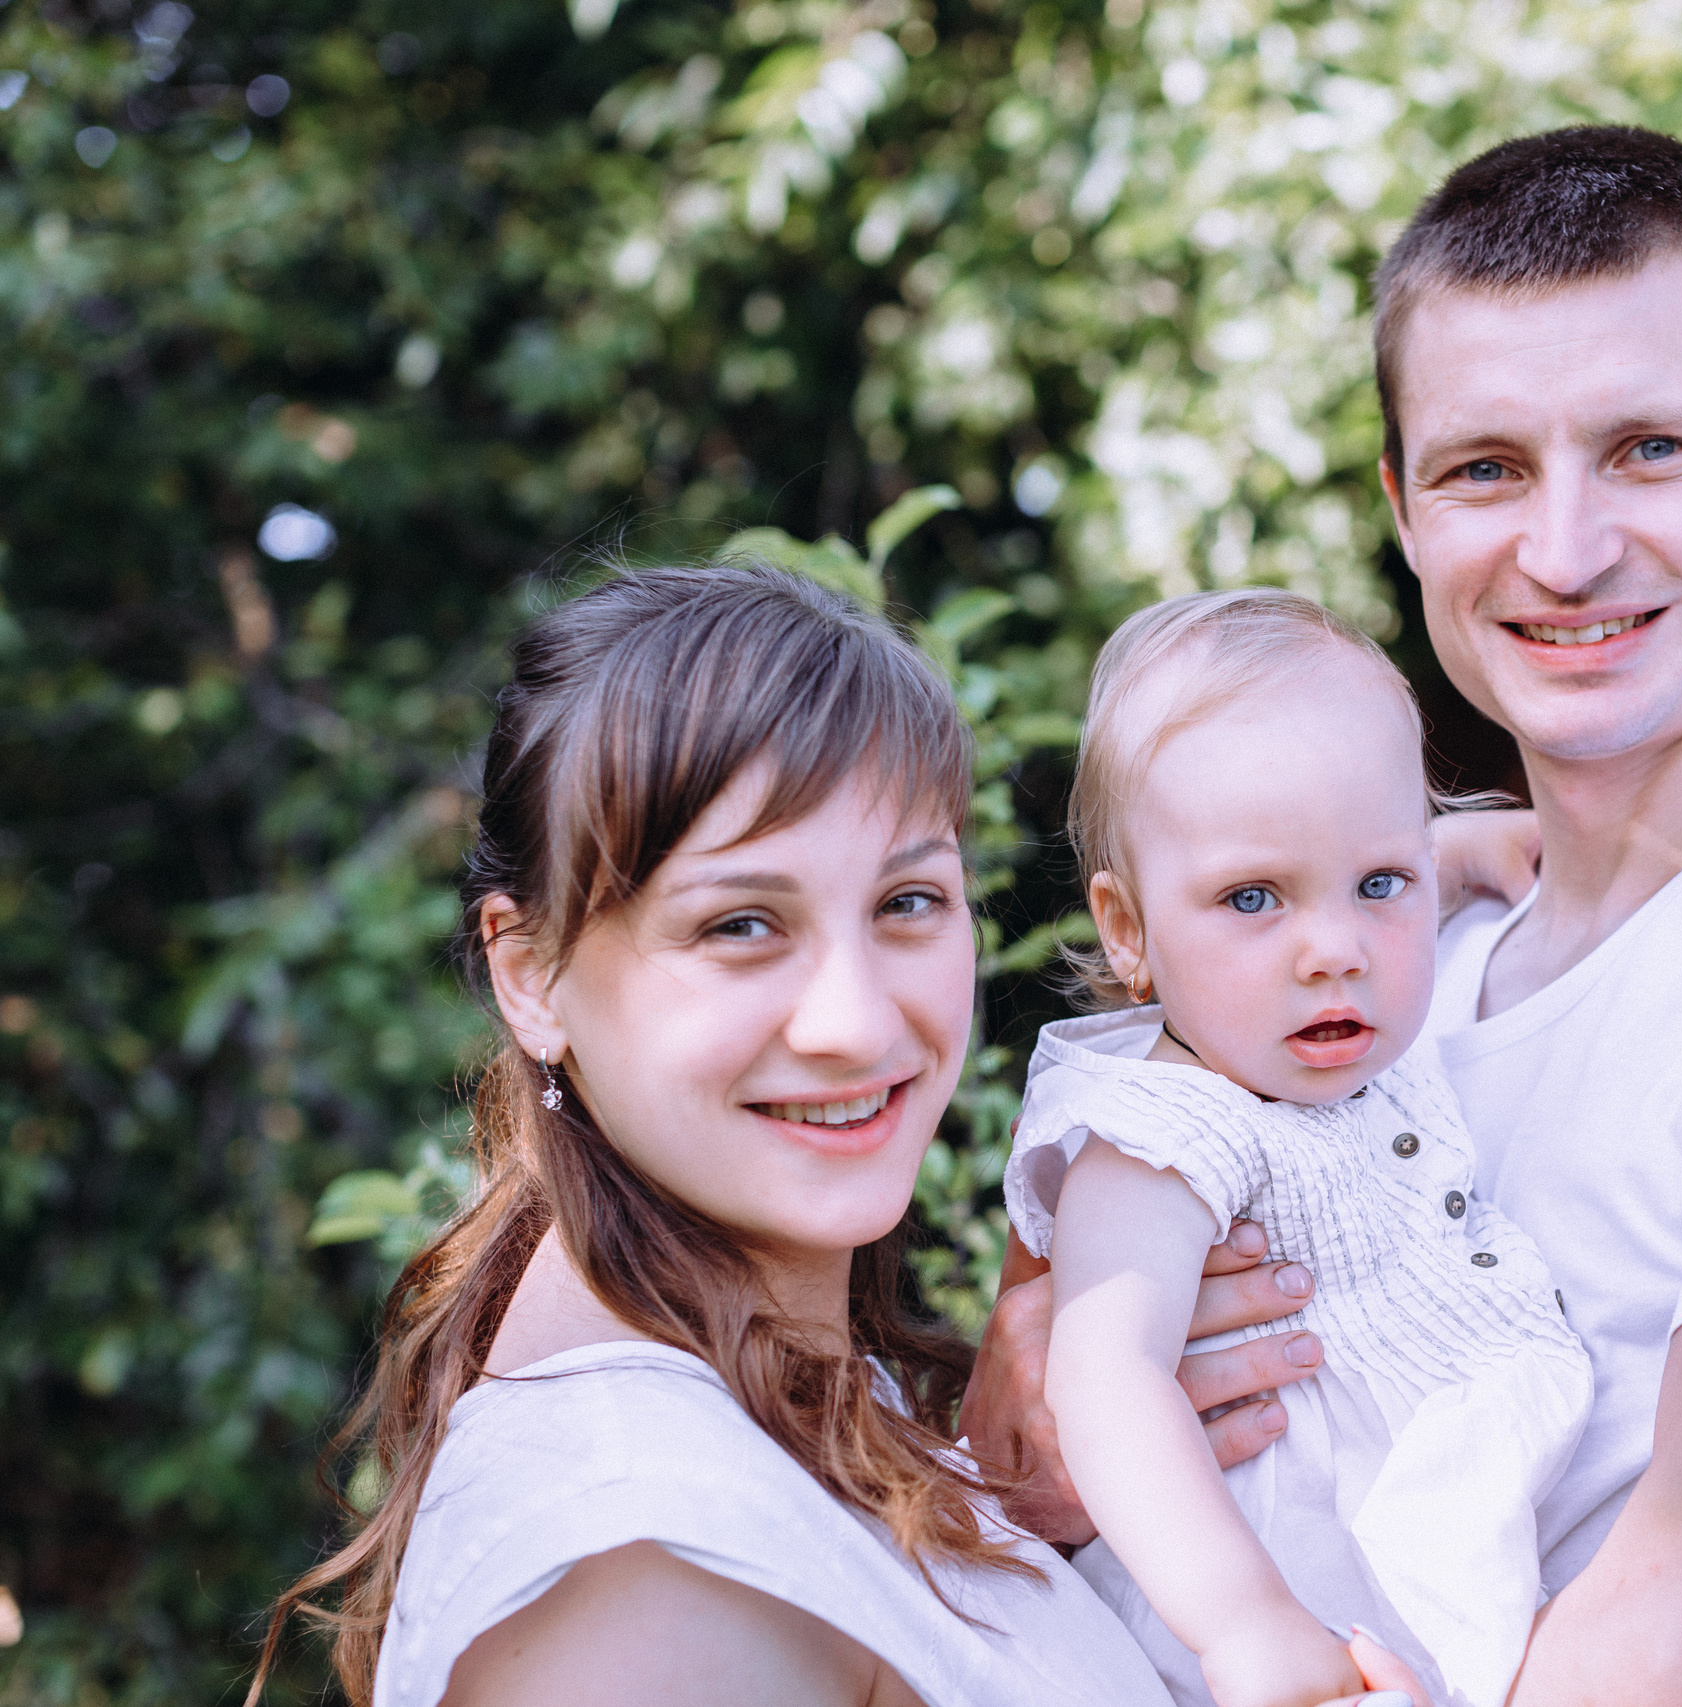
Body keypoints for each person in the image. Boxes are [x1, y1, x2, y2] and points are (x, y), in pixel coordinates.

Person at [962, 126, 1682, 1706]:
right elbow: (1074, 1410)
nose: (1566, 551)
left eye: (1652, 447)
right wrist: (1039, 1437)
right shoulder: (1376, 969)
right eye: (1486, 468)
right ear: (1403, 507)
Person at [252, 564, 1426, 1707]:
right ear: (530, 975)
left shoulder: (791, 1409)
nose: (858, 1021)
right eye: (743, 924)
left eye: (907, 902)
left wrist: (1018, 1516)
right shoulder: (650, 1583)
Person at [1008, 590, 1591, 1707]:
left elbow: (1359, 852)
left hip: (1426, 1571)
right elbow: (1104, 1375)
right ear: (1127, 931)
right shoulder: (1161, 1132)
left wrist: (1449, 857)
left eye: (1379, 884)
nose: (1334, 949)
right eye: (1251, 897)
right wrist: (1245, 1625)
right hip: (1278, 1596)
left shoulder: (1350, 1018)